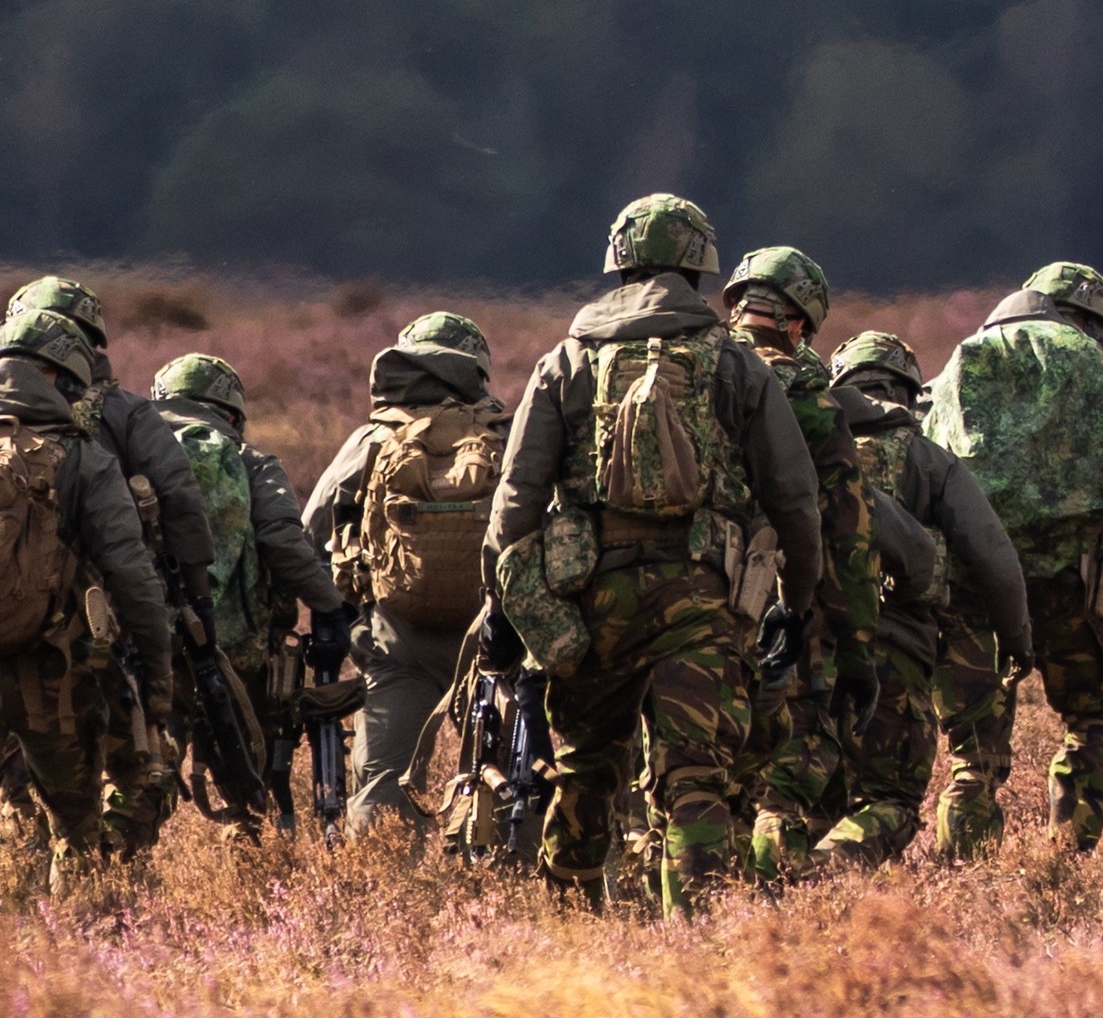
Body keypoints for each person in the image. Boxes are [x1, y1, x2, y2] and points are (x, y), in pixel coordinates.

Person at [481, 194, 825, 913]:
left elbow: (514, 502)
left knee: (584, 770)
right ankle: (697, 943)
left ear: (619, 259)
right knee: (694, 776)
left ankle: (570, 936)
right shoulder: (735, 361)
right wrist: (801, 596)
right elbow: (793, 495)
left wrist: (505, 604)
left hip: (590, 598)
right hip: (702, 598)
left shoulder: (565, 360)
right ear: (700, 263)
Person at [926, 262, 1103, 856]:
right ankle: (1066, 859)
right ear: (1088, 323)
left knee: (974, 757)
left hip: (970, 583)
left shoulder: (959, 366)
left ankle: (961, 885)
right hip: (1067, 586)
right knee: (1093, 722)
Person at [8, 277, 217, 850]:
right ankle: (79, 926)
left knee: (16, 798)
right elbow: (136, 569)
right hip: (59, 654)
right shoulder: (91, 447)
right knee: (81, 816)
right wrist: (158, 675)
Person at [818, 331, 1029, 864]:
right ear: (911, 393)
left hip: (806, 648)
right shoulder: (930, 460)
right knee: (891, 797)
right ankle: (826, 874)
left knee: (804, 788)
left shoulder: (808, 452)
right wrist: (1017, 637)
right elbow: (992, 555)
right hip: (896, 645)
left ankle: (775, 891)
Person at [301, 311, 507, 840]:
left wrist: (344, 605)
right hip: (494, 639)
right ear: (476, 371)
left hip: (397, 640)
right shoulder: (505, 433)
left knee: (383, 781)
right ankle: (516, 885)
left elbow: (309, 531)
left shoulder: (375, 437)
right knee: (510, 772)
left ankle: (381, 887)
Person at [715, 246, 884, 881]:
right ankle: (748, 901)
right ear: (798, 323)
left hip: (674, 592)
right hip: (776, 604)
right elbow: (846, 530)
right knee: (778, 750)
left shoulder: (686, 365)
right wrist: (855, 644)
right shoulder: (806, 391)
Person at [142, 356, 352, 825]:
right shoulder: (250, 462)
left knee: (149, 757)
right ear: (232, 413)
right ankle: (249, 850)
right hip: (238, 653)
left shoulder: (128, 454)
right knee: (248, 774)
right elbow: (282, 543)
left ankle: (114, 858)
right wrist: (330, 603)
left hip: (145, 638)